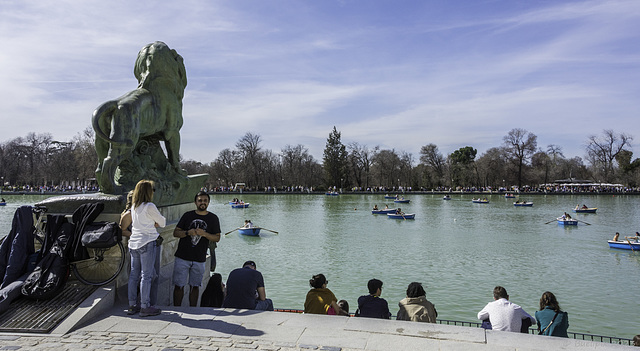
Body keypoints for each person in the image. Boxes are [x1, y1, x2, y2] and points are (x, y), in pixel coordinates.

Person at [172, 191, 221, 306]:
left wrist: (204, 234)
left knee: (195, 286)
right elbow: (176, 233)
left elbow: (217, 238)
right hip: (182, 256)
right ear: (195, 202)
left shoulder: (213, 218)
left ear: (208, 202)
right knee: (179, 285)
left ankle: (193, 310)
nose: (202, 203)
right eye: (200, 200)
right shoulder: (187, 215)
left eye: (205, 200)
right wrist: (188, 232)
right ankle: (177, 308)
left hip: (200, 257)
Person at [128, 180, 165, 317]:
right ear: (148, 192)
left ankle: (132, 305)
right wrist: (154, 222)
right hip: (147, 242)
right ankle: (145, 306)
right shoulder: (149, 206)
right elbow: (162, 222)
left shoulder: (134, 207)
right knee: (147, 276)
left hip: (134, 243)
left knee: (133, 275)